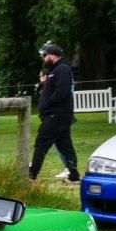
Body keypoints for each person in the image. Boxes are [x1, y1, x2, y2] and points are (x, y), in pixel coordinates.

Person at [30, 43, 79, 184]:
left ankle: (32, 174)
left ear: (51, 55)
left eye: (45, 55)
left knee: (41, 143)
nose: (44, 58)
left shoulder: (62, 69)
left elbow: (61, 92)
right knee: (65, 146)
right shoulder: (55, 70)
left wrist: (46, 104)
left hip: (56, 115)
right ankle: (74, 175)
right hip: (58, 115)